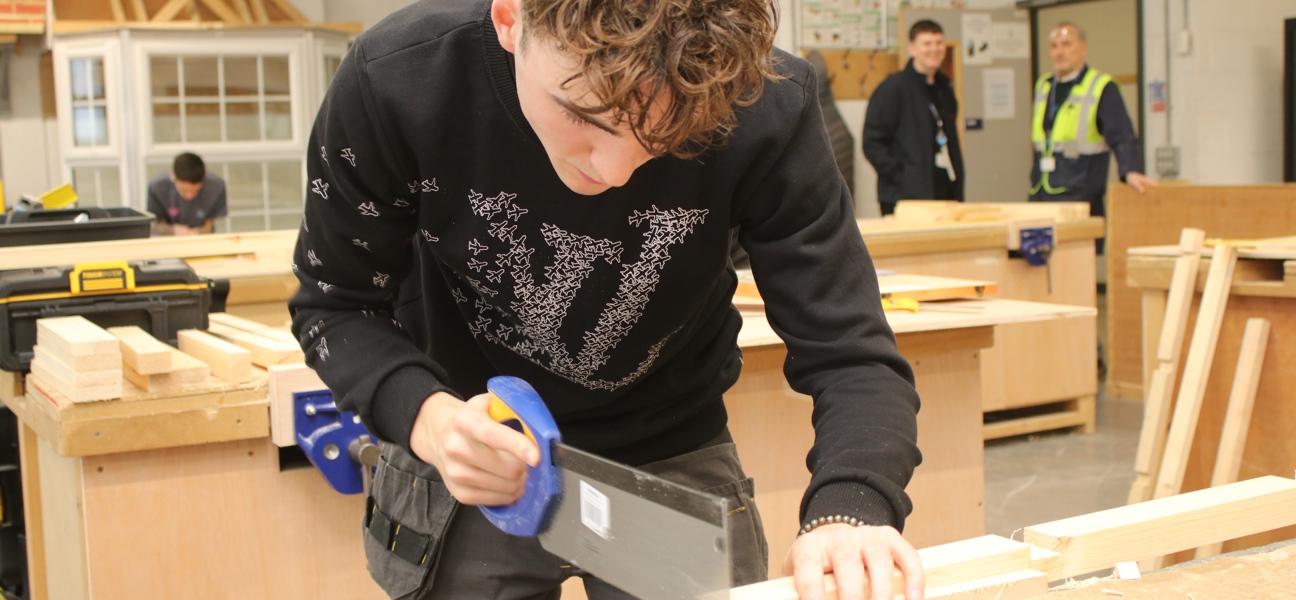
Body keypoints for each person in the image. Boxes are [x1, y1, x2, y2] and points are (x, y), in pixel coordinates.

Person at [289, 1, 924, 599]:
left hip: (672, 450)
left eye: (669, 134)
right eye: (584, 116)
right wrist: (430, 422)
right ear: (512, 18)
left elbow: (850, 351)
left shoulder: (764, 101)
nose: (616, 171)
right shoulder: (400, 79)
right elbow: (337, 304)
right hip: (468, 447)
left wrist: (851, 510)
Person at [1030, 22, 1154, 221]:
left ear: (1083, 47)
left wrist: (1129, 170)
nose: (1059, 52)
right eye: (1054, 46)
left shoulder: (1101, 87)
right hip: (1041, 191)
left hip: (1080, 194)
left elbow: (1122, 135)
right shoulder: (1044, 86)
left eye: (1066, 44)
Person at [862, 19, 963, 216]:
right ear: (912, 48)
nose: (934, 49)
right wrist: (902, 176)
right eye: (927, 43)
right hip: (905, 198)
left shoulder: (945, 89)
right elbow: (872, 143)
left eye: (939, 42)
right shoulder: (893, 89)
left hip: (945, 194)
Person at [146, 152, 226, 235]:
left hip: (201, 238)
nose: (189, 195)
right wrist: (174, 230)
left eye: (195, 190)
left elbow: (209, 224)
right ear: (172, 175)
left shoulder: (216, 186)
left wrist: (197, 232)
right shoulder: (157, 187)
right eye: (183, 190)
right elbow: (158, 225)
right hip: (167, 239)